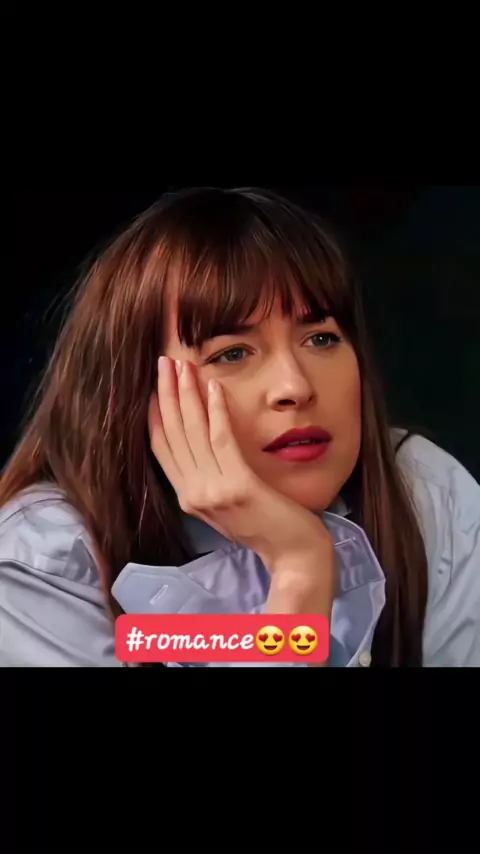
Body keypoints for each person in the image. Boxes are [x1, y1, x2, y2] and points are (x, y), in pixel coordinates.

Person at [1, 187, 479, 668]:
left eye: (321, 339)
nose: (294, 387)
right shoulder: (48, 561)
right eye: (232, 353)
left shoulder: (426, 495)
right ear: (135, 387)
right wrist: (299, 570)